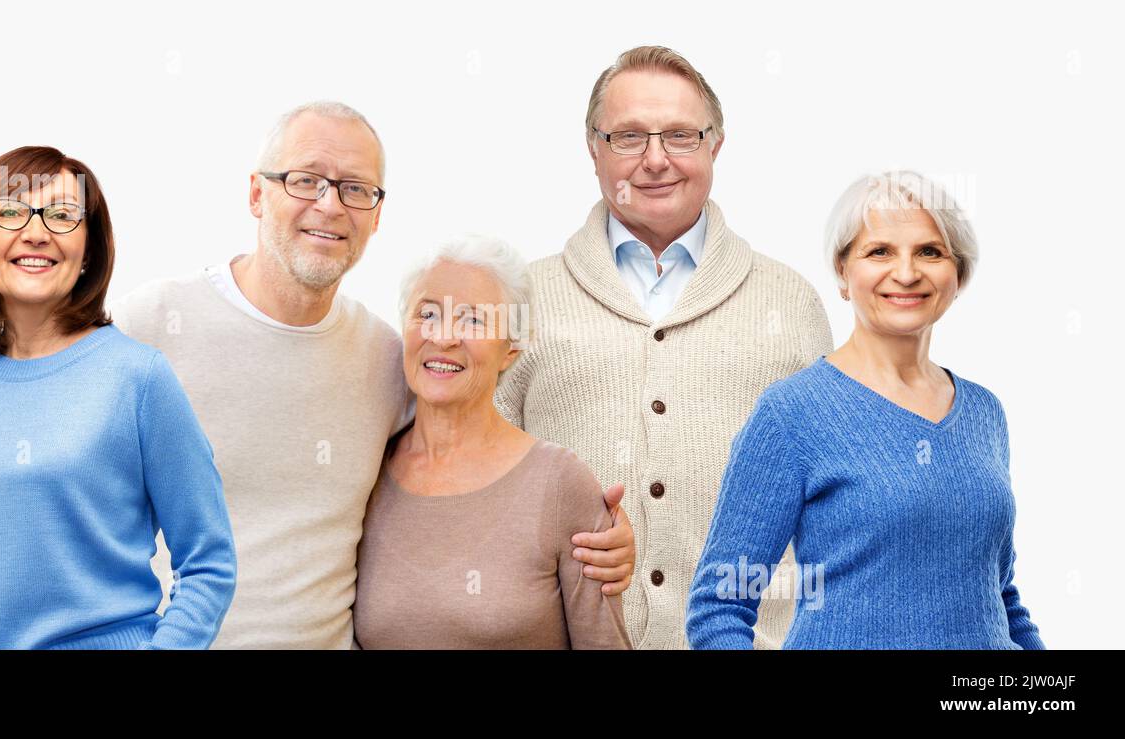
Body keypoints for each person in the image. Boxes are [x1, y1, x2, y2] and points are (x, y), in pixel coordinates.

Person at [110, 101, 635, 649]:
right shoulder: (149, 324)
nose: (329, 205)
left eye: (355, 189)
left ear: (376, 216)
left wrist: (601, 537)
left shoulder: (385, 359)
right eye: (305, 179)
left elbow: (477, 462)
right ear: (255, 194)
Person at [494, 46, 832, 649]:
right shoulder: (523, 298)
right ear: (593, 148)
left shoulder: (791, 302)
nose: (655, 160)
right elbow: (478, 489)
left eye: (680, 135)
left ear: (715, 147)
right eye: (628, 137)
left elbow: (834, 516)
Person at [0, 146, 236, 649]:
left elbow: (208, 561)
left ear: (89, 249)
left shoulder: (138, 379)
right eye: (10, 211)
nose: (36, 231)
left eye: (62, 214)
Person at [685, 170, 1045, 649]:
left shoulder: (983, 411)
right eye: (880, 252)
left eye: (929, 252)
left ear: (957, 275)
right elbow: (720, 606)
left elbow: (998, 594)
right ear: (842, 272)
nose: (907, 272)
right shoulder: (792, 414)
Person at [353, 236, 631, 649]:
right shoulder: (366, 473)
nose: (444, 338)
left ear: (511, 349)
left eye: (473, 320)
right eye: (428, 314)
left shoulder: (559, 483)